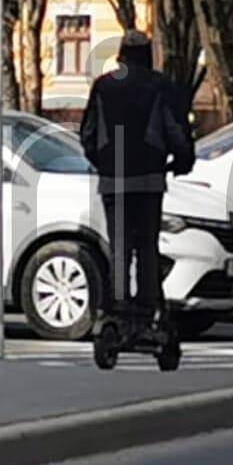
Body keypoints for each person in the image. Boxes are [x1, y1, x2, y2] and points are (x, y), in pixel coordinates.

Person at [79, 31, 195, 335]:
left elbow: (88, 135)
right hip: (148, 180)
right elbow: (176, 131)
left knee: (119, 246)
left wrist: (104, 163)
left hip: (112, 182)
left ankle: (117, 308)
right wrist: (182, 160)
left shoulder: (103, 86)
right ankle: (147, 307)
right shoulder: (160, 87)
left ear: (120, 53)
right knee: (146, 246)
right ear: (147, 54)